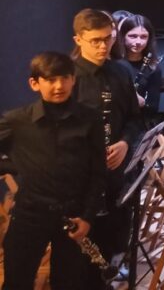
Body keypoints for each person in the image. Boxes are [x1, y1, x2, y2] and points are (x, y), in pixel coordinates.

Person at [0, 51, 107, 289]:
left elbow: (98, 172)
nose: (59, 86)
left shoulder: (90, 119)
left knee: (69, 283)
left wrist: (88, 217)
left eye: (64, 78)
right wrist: (18, 166)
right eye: (50, 79)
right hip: (30, 214)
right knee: (17, 282)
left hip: (74, 214)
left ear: (73, 79)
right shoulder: (17, 120)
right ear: (34, 83)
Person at [70, 8, 143, 263]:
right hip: (81, 178)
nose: (104, 46)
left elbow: (135, 118)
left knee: (113, 240)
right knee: (79, 256)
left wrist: (124, 143)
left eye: (108, 38)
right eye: (96, 41)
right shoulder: (67, 77)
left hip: (115, 171)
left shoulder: (120, 72)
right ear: (78, 39)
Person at [114, 13, 163, 111]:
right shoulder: (114, 64)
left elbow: (153, 107)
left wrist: (142, 103)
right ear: (122, 37)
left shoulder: (153, 68)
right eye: (133, 36)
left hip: (138, 120)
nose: (138, 42)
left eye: (143, 37)